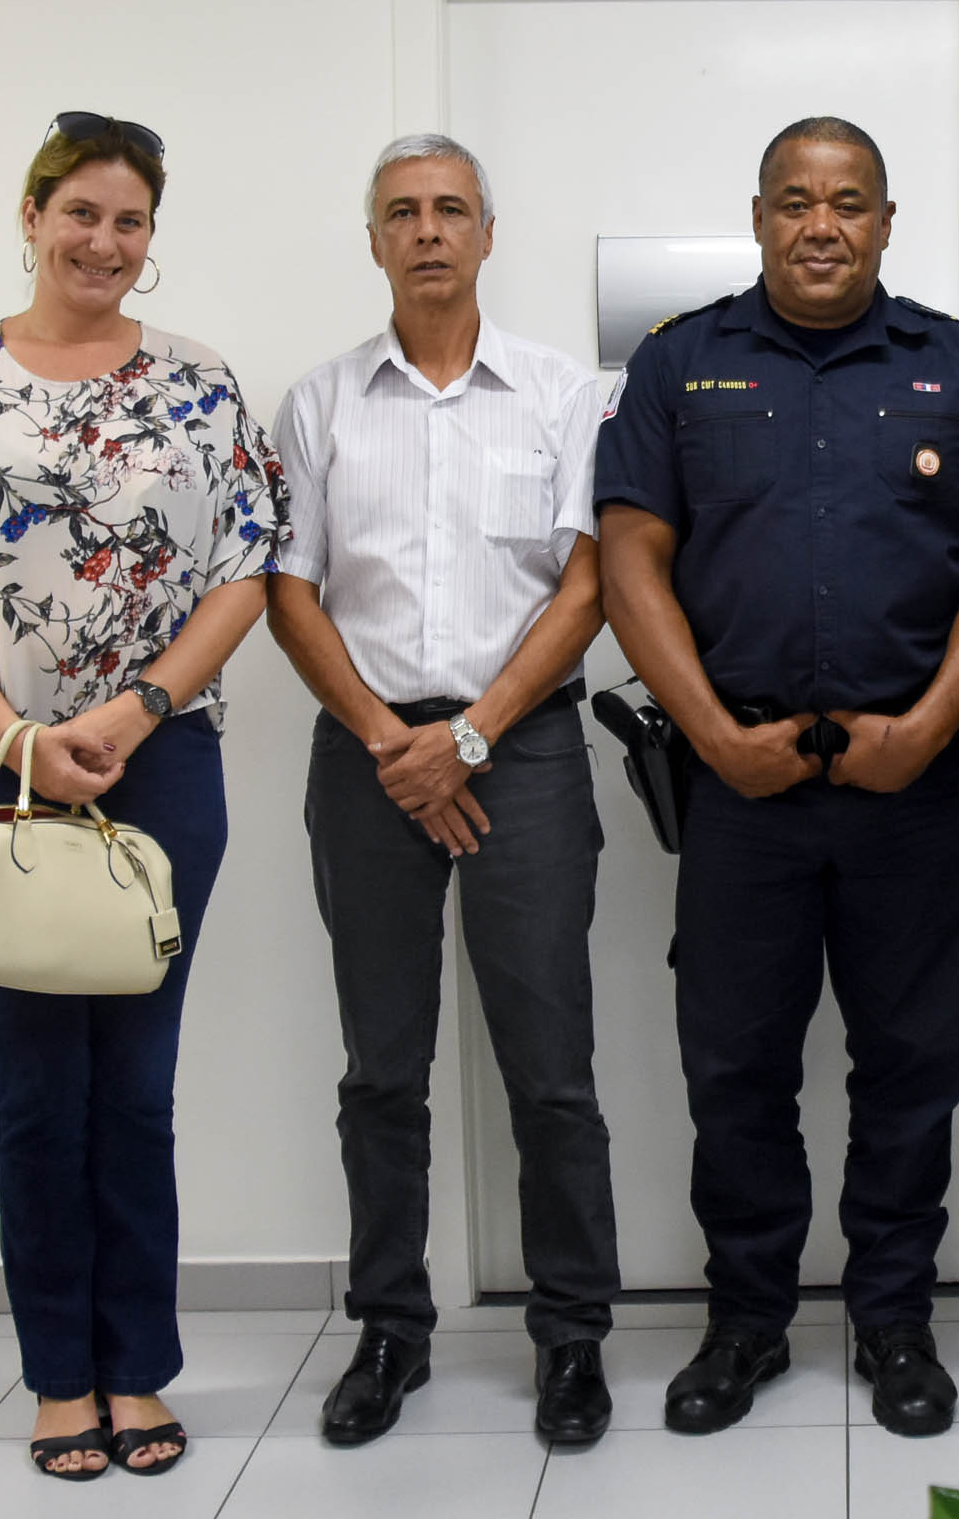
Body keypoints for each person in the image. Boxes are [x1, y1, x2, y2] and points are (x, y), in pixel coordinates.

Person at [0, 112, 285, 1481]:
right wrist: (14, 737)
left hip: (162, 762)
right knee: (35, 1091)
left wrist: (128, 711)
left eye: (129, 219)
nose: (102, 240)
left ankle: (136, 1367)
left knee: (134, 1088)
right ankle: (57, 1377)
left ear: (151, 240)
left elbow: (247, 570)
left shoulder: (200, 382)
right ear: (30, 216)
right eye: (79, 211)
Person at [594, 115, 959, 1438]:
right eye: (795, 201)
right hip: (743, 785)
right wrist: (709, 737)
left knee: (911, 1062)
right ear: (756, 216)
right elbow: (630, 559)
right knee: (733, 1066)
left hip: (915, 785)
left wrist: (926, 724)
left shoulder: (958, 369)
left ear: (887, 222)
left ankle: (892, 1321)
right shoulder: (683, 365)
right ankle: (745, 1324)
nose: (821, 225)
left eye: (848, 202)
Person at [266, 134, 620, 1448]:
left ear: (486, 233)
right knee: (382, 1068)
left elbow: (587, 587)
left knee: (552, 1067)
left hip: (516, 750)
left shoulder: (558, 395)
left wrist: (467, 735)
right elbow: (287, 589)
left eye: (449, 210)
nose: (426, 232)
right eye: (401, 213)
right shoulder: (318, 404)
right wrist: (387, 740)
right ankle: (388, 1330)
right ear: (372, 241)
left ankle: (572, 1336)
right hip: (366, 759)